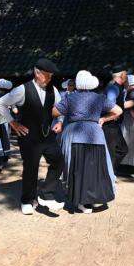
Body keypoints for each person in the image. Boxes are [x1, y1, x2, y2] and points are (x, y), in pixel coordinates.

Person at [0, 58, 65, 215]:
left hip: (48, 135)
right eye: (47, 75)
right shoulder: (22, 89)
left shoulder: (53, 90)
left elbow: (60, 107)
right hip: (29, 137)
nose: (49, 78)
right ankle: (27, 200)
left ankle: (47, 194)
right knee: (31, 168)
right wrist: (13, 123)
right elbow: (0, 103)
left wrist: (60, 121)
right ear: (37, 73)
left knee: (59, 161)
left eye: (51, 76)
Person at [53, 70, 122, 213]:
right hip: (94, 133)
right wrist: (103, 118)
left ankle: (81, 201)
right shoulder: (99, 98)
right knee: (95, 166)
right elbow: (118, 111)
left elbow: (54, 112)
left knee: (77, 167)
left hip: (74, 133)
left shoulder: (70, 98)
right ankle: (95, 198)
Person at [102, 71, 129, 172]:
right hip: (110, 124)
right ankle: (108, 175)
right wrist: (113, 114)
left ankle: (108, 173)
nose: (127, 77)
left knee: (121, 150)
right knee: (114, 151)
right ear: (121, 76)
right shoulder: (113, 87)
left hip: (113, 124)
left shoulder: (116, 87)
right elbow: (109, 104)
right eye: (126, 75)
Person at [0, 78, 14, 163]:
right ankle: (5, 155)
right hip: (5, 118)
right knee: (5, 136)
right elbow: (15, 110)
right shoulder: (9, 96)